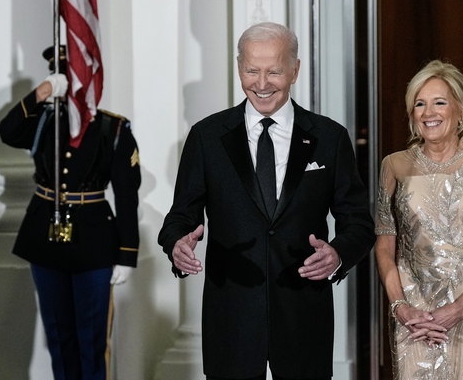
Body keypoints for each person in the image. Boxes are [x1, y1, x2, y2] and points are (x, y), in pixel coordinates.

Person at [158, 22, 375, 380]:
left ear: (295, 70)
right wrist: (176, 244)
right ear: (239, 68)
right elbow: (180, 217)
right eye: (251, 71)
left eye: (273, 71)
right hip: (232, 315)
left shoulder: (330, 138)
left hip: (304, 313)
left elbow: (359, 223)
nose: (261, 84)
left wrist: (337, 254)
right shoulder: (206, 137)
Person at [0, 46, 141, 380]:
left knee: (91, 343)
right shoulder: (43, 122)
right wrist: (43, 92)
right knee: (59, 342)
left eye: (72, 78)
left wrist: (127, 254)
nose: (68, 86)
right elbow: (7, 131)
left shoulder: (113, 130)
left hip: (93, 244)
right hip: (45, 242)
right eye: (60, 77)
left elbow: (126, 196)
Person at [374, 60, 463, 379]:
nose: (428, 112)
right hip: (414, 315)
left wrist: (460, 308)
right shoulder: (394, 165)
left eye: (439, 102)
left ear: (461, 110)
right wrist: (400, 306)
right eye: (419, 104)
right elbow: (385, 247)